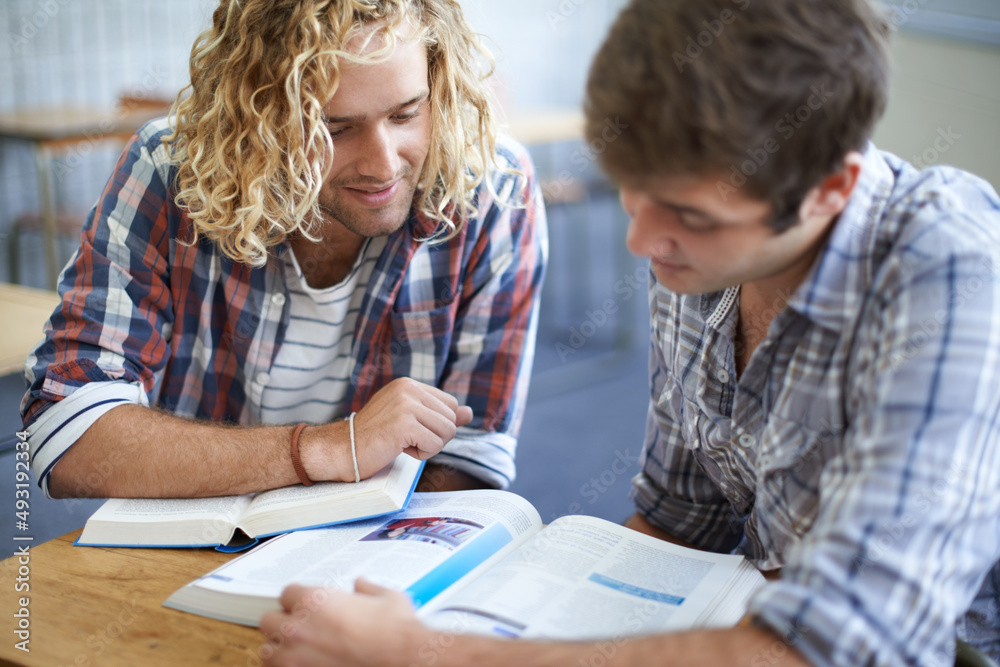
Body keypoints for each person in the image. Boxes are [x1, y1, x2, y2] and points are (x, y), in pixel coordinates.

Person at [257, 0, 1000, 665]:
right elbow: (685, 523)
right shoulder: (691, 250)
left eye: (692, 216)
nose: (643, 242)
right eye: (634, 195)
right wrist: (504, 611)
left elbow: (851, 646)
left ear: (831, 189)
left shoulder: (950, 262)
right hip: (769, 610)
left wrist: (428, 651)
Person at [20, 0, 547, 499]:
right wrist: (326, 450)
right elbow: (64, 435)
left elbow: (473, 462)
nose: (384, 165)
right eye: (335, 129)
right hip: (185, 557)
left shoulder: (494, 191)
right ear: (260, 120)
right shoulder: (168, 172)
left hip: (374, 570)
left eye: (406, 115)